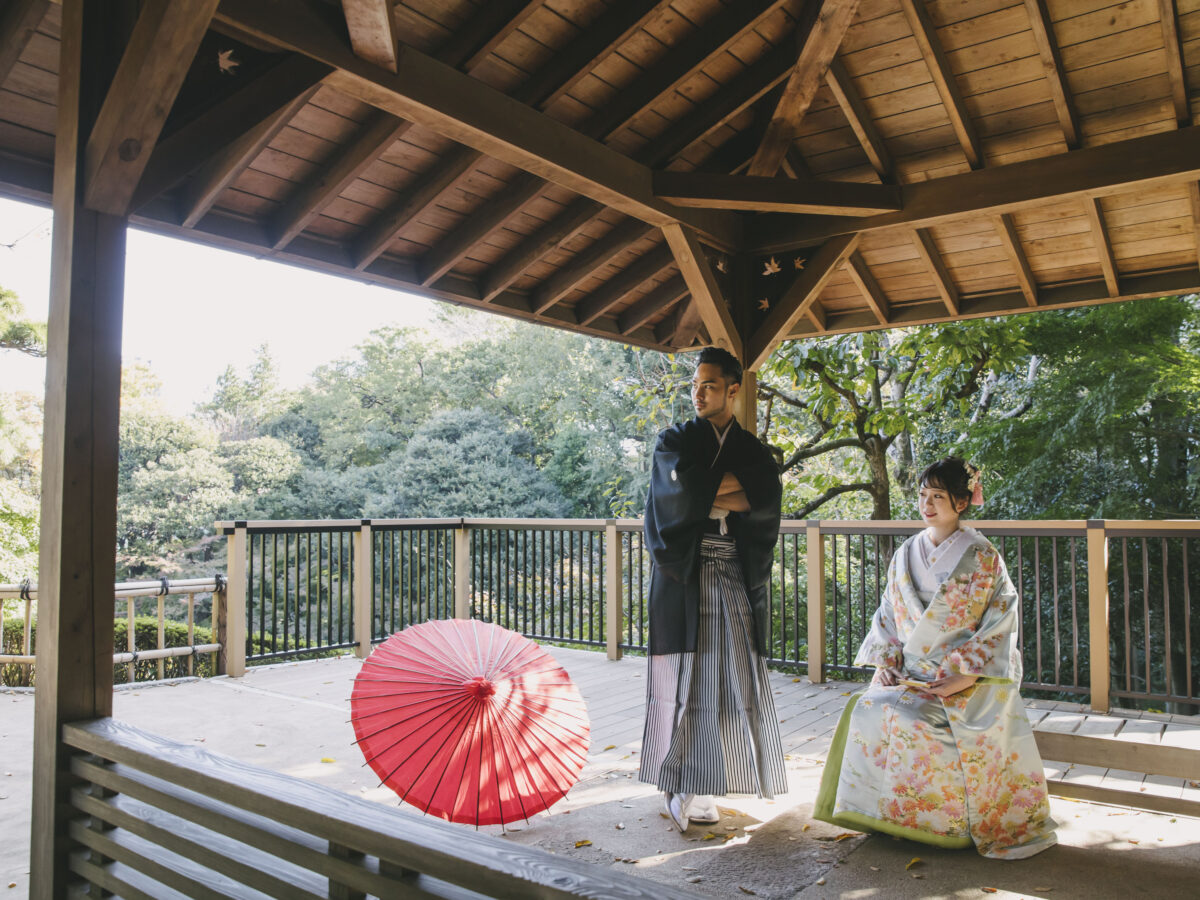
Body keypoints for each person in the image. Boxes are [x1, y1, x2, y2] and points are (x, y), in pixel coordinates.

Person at [814, 457, 1057, 858]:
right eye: (924, 495)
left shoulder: (982, 555)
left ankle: (946, 827)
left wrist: (965, 676)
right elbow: (889, 612)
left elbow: (1000, 619)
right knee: (868, 707)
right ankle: (881, 815)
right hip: (909, 672)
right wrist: (887, 663)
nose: (927, 504)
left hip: (964, 677)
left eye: (938, 497)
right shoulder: (908, 550)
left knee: (917, 719)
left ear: (961, 502)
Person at [638, 347, 787, 832]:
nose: (698, 394)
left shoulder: (754, 451)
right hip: (684, 572)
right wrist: (725, 493)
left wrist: (702, 491)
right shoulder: (674, 440)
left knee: (729, 677)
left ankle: (709, 779)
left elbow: (761, 499)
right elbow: (675, 496)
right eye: (695, 385)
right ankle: (681, 783)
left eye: (709, 385)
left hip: (732, 569)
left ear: (733, 389)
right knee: (684, 679)